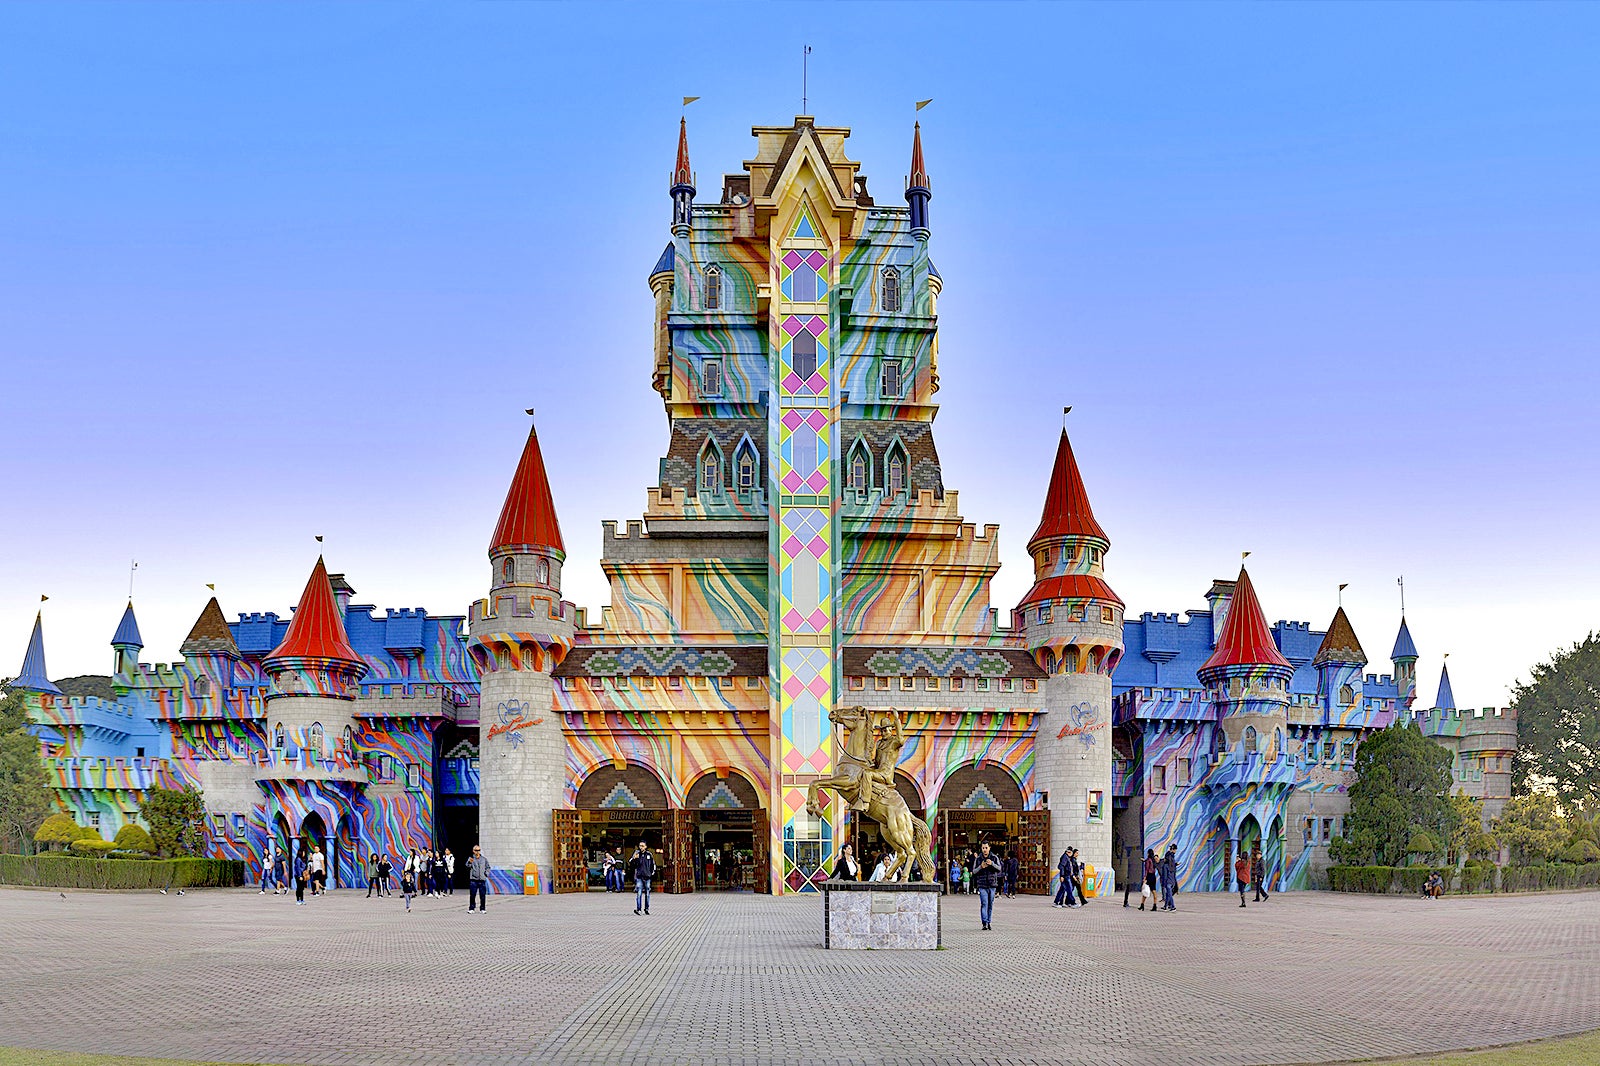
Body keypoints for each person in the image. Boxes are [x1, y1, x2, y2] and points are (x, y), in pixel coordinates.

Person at [972, 841, 1002, 930]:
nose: (984, 850)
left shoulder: (994, 857)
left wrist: (991, 863)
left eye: (986, 848)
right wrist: (981, 867)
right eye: (983, 848)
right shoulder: (978, 859)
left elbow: (999, 868)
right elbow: (974, 871)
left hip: (992, 884)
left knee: (990, 904)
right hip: (982, 885)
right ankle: (984, 922)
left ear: (989, 848)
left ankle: (989, 922)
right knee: (984, 903)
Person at [629, 840, 656, 915]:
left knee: (647, 893)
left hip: (647, 876)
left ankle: (646, 908)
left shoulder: (649, 855)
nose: (641, 847)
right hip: (639, 876)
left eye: (643, 846)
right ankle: (638, 909)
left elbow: (653, 865)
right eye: (640, 846)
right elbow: (631, 864)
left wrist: (651, 874)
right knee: (639, 893)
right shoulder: (637, 854)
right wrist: (634, 858)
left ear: (646, 847)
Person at [467, 844, 491, 912]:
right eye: (476, 850)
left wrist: (486, 874)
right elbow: (467, 866)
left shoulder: (484, 859)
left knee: (482, 895)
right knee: (472, 895)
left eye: (479, 850)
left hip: (482, 879)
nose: (477, 852)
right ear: (473, 851)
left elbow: (488, 867)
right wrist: (469, 862)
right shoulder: (471, 858)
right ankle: (471, 908)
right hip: (473, 880)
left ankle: (482, 908)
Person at [1160, 844, 1179, 911]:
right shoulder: (1172, 862)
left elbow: (1165, 875)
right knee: (1168, 894)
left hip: (1168, 881)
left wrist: (1163, 883)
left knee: (1169, 894)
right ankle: (1165, 906)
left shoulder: (1166, 865)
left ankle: (1173, 906)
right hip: (1172, 880)